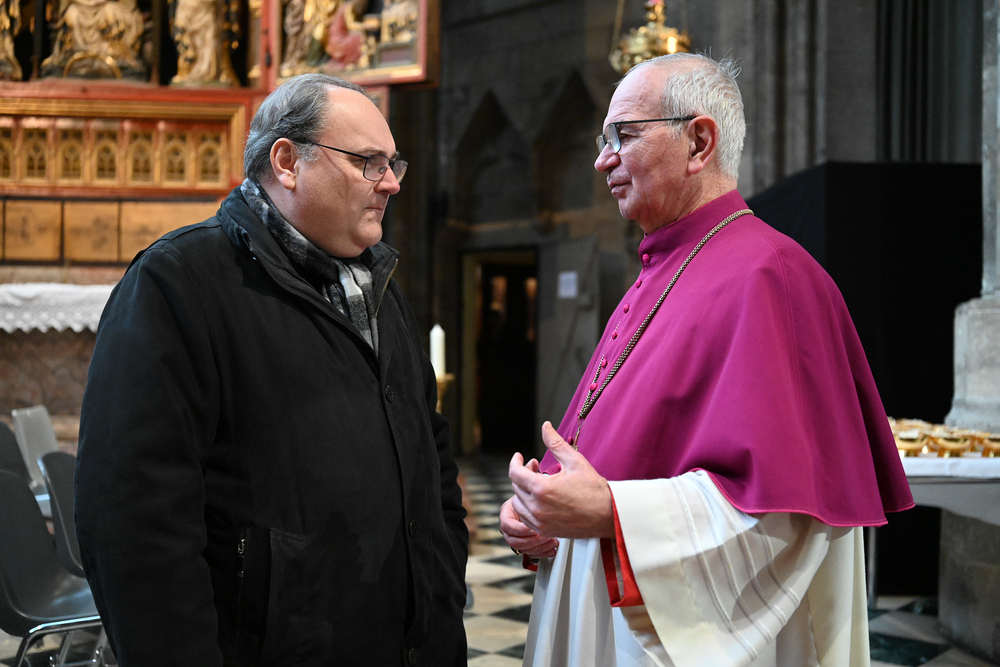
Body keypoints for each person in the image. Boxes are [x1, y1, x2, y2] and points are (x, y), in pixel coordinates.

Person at [499, 53, 913, 666]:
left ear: (698, 142)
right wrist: (545, 513)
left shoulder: (770, 275)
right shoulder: (663, 266)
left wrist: (609, 511)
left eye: (623, 136)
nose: (602, 160)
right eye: (603, 140)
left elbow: (783, 520)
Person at [76, 73, 468, 666]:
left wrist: (442, 584)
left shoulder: (380, 289)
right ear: (287, 162)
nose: (390, 182)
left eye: (393, 164)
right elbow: (132, 518)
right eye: (367, 162)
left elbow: (430, 455)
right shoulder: (179, 282)